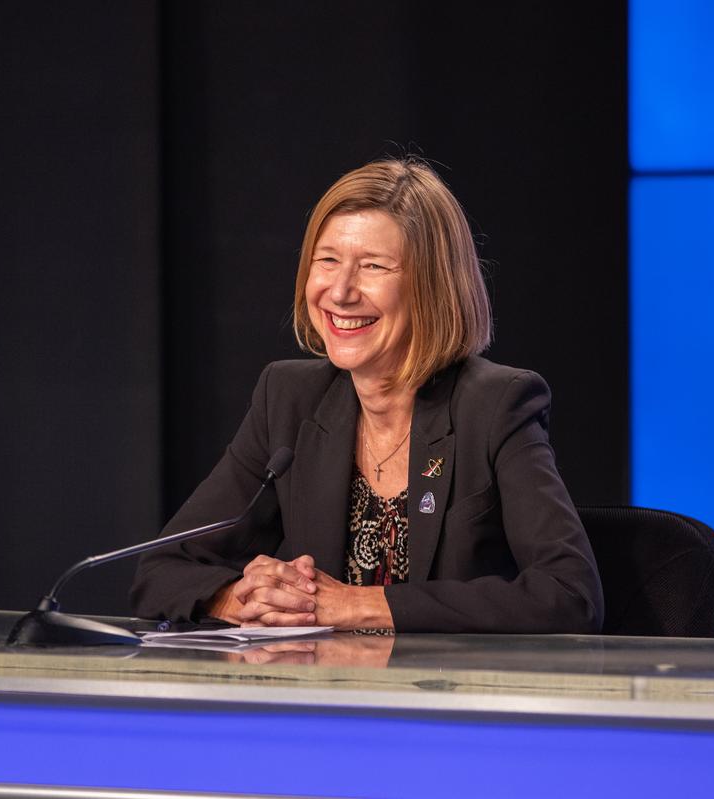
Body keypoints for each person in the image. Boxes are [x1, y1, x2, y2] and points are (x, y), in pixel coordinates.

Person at [130, 158, 603, 634]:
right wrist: (242, 599)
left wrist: (360, 605)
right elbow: (161, 571)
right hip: (328, 701)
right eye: (328, 260)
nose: (340, 291)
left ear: (432, 287)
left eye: (373, 266)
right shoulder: (289, 398)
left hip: (452, 701)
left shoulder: (496, 404)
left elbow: (569, 595)